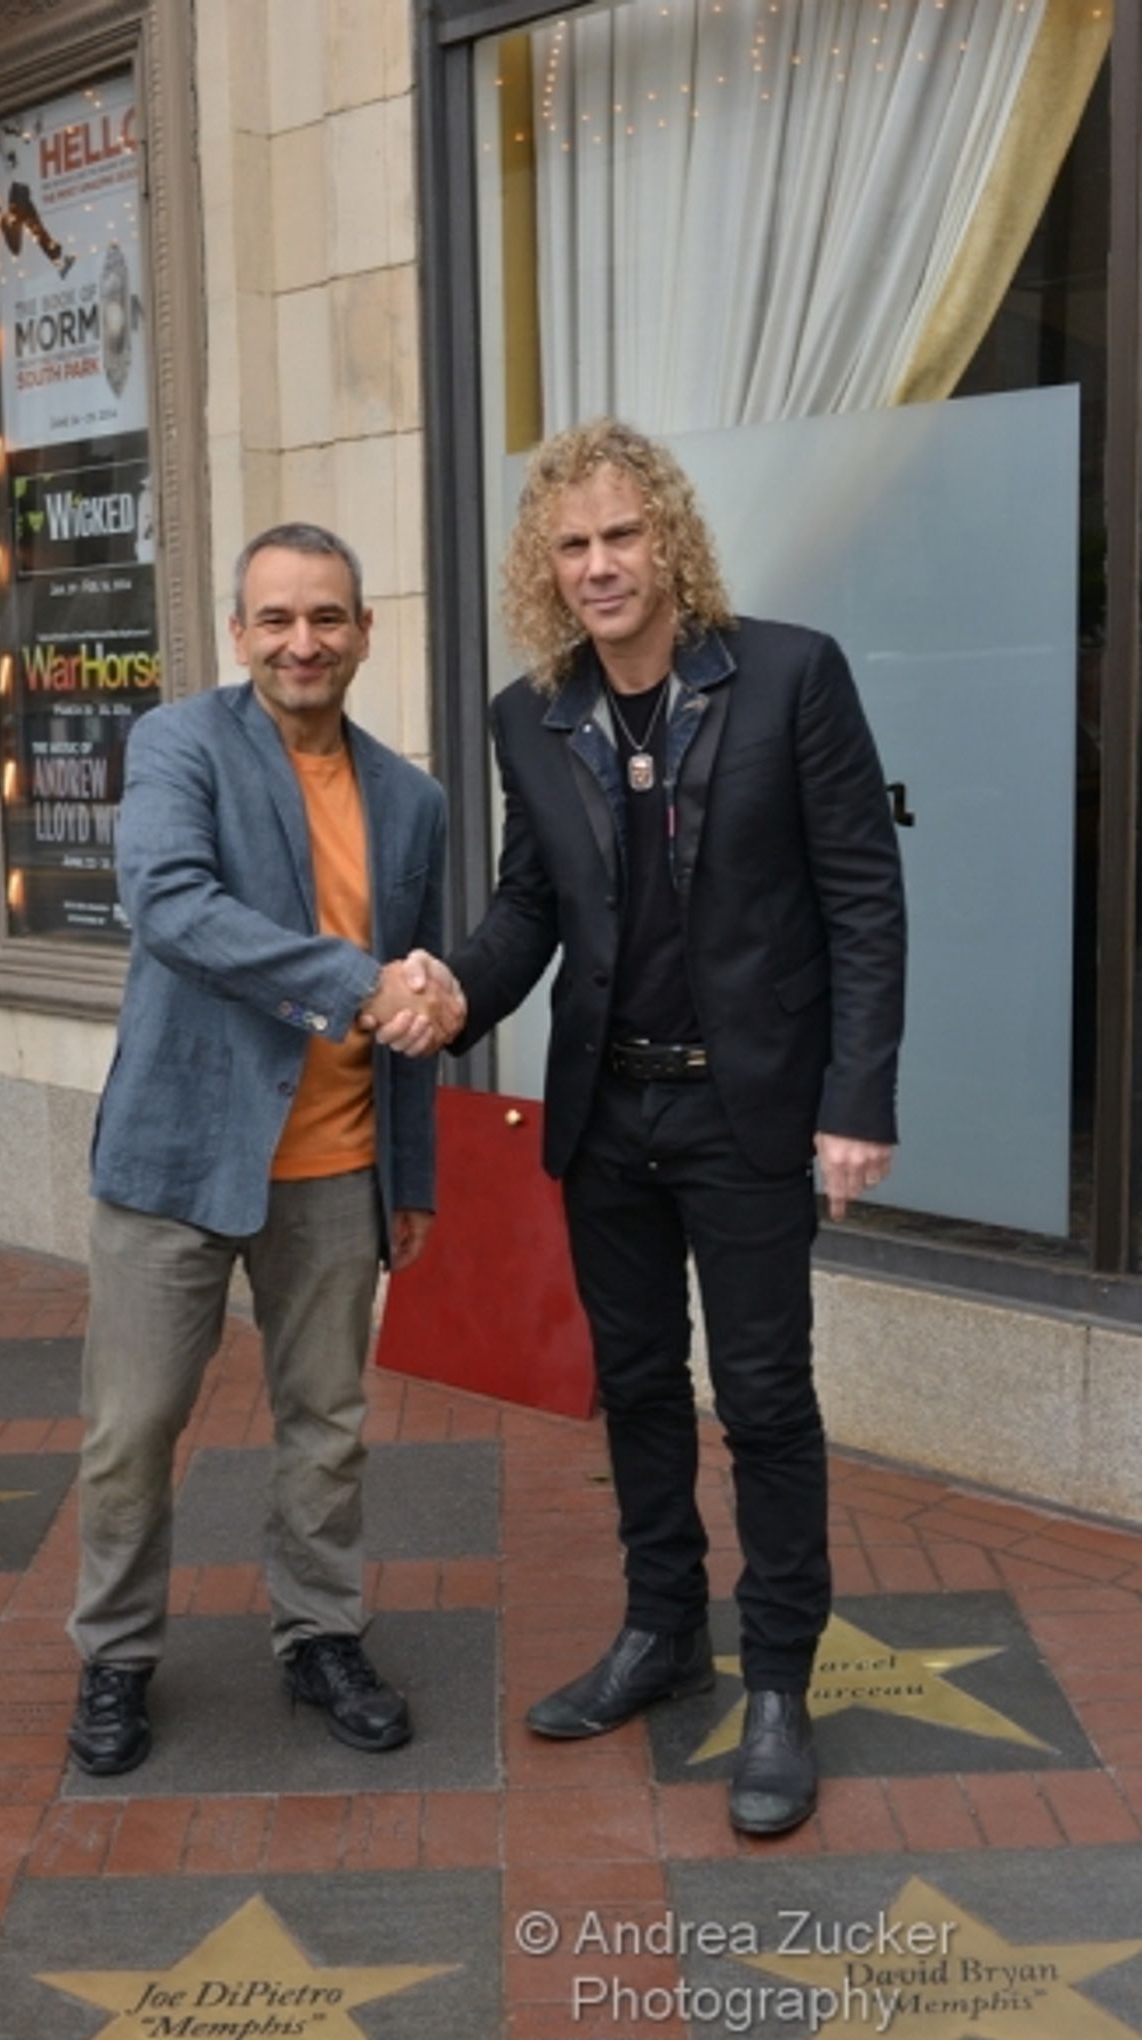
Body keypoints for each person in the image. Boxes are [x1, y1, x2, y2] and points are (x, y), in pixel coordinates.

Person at [391, 420, 905, 1834]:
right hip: (607, 1112)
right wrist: (452, 985)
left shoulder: (791, 674)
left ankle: (783, 1682)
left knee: (766, 1402)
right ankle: (662, 1628)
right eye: (573, 545)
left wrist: (857, 1100)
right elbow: (530, 913)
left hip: (747, 1114)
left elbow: (863, 897)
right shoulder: (531, 714)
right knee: (633, 1389)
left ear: (666, 537)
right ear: (545, 569)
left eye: (622, 535)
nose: (601, 565)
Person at [67, 522, 454, 1776]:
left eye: (327, 617)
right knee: (132, 1431)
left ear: (362, 630)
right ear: (239, 633)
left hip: (336, 1170)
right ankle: (115, 1657)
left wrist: (413, 1174)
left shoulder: (411, 799)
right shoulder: (179, 742)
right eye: (277, 619)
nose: (303, 642)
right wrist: (353, 979)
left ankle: (319, 1636)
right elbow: (174, 908)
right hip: (177, 1159)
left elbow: (413, 1010)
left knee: (327, 1427)